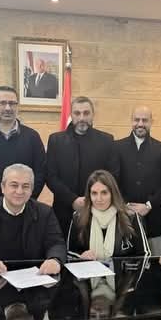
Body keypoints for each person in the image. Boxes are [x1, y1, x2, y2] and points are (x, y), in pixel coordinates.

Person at [46, 96, 119, 235]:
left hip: (98, 210)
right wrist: (72, 200)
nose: (81, 118)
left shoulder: (106, 140)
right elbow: (51, 177)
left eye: (86, 113)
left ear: (93, 114)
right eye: (77, 113)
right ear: (71, 115)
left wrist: (93, 199)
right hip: (63, 211)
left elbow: (113, 175)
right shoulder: (56, 140)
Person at [113, 106, 161, 255]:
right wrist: (125, 205)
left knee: (153, 262)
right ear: (131, 121)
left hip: (153, 219)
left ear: (151, 122)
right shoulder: (117, 147)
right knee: (126, 263)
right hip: (125, 218)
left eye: (144, 120)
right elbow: (113, 181)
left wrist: (148, 205)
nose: (140, 124)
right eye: (136, 120)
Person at [68, 170, 149, 260]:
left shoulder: (132, 217)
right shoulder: (78, 217)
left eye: (104, 193)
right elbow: (69, 253)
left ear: (113, 193)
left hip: (122, 269)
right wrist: (81, 256)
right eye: (94, 193)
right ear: (89, 195)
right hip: (90, 269)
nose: (99, 199)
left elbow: (145, 255)